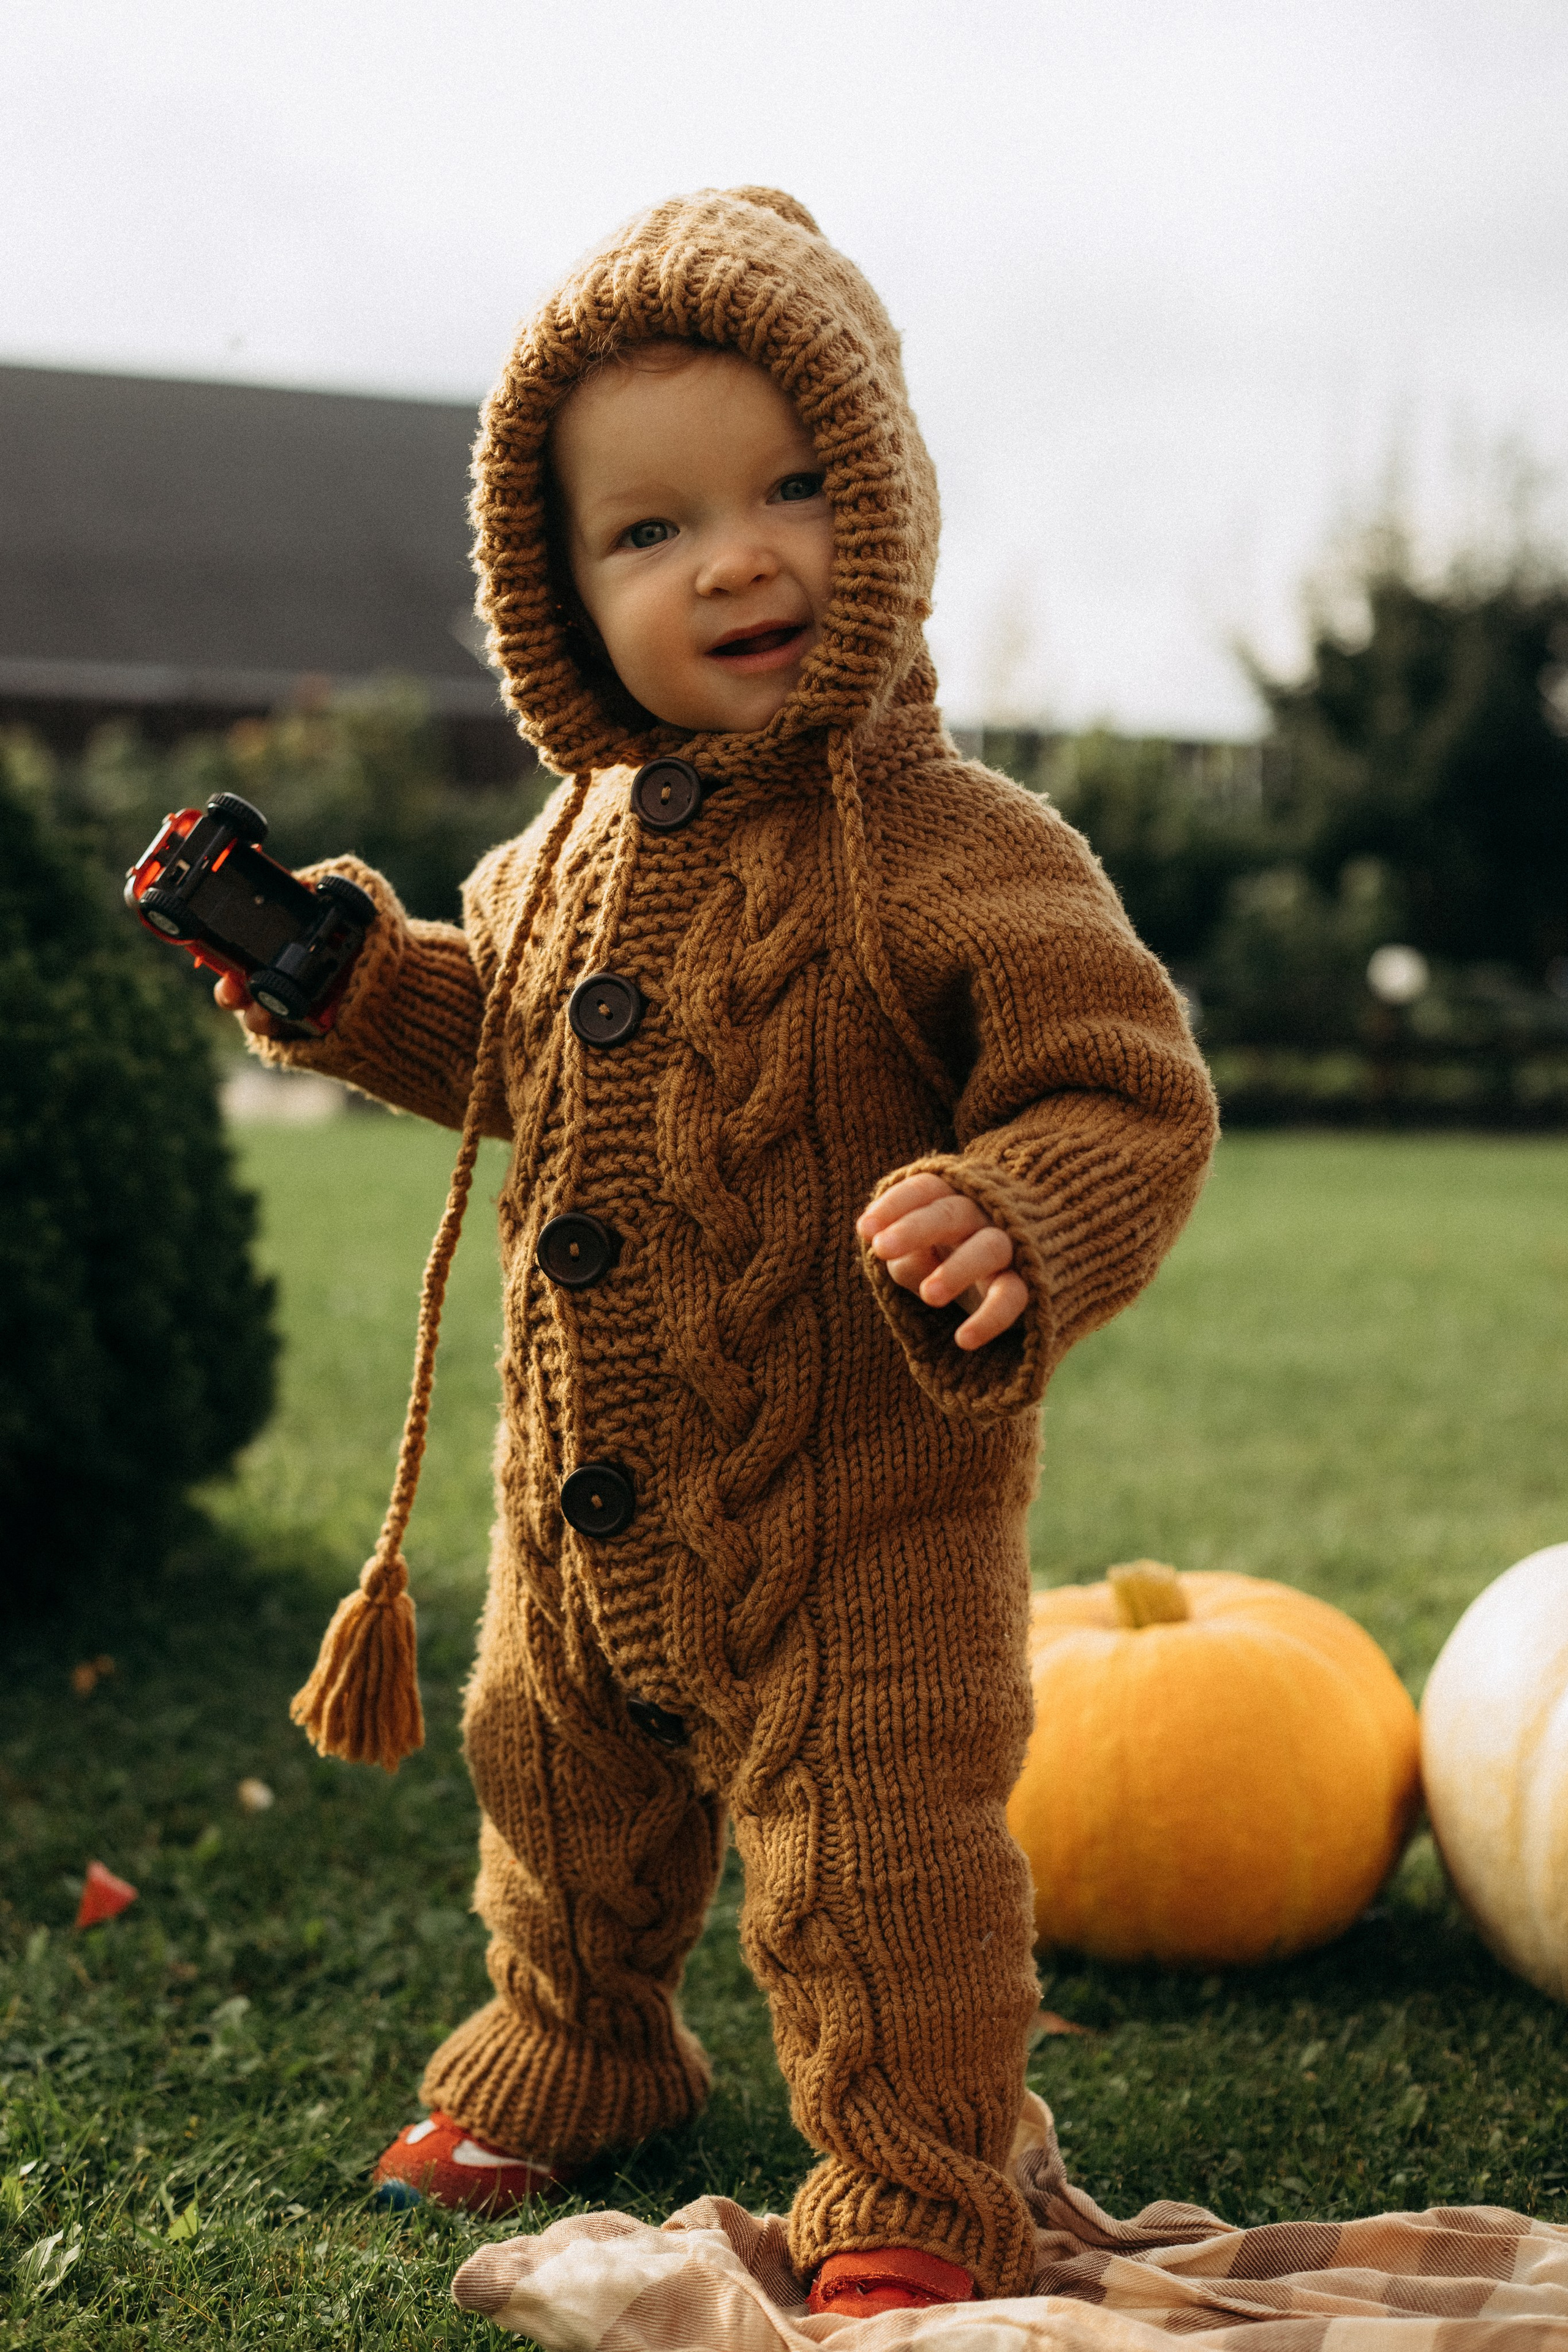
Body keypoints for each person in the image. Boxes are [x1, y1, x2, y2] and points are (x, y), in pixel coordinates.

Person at [222, 186, 1217, 2317]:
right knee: (553, 1803)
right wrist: (334, 967)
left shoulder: (959, 847)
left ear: (888, 498)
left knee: (882, 1869)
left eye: (792, 489)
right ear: (562, 590)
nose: (737, 555)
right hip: (576, 1523)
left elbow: (1125, 1090)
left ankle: (917, 2175)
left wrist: (1019, 1208)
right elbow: (483, 1032)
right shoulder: (561, 844)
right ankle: (580, 2047)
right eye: (649, 531)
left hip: (853, 1525)